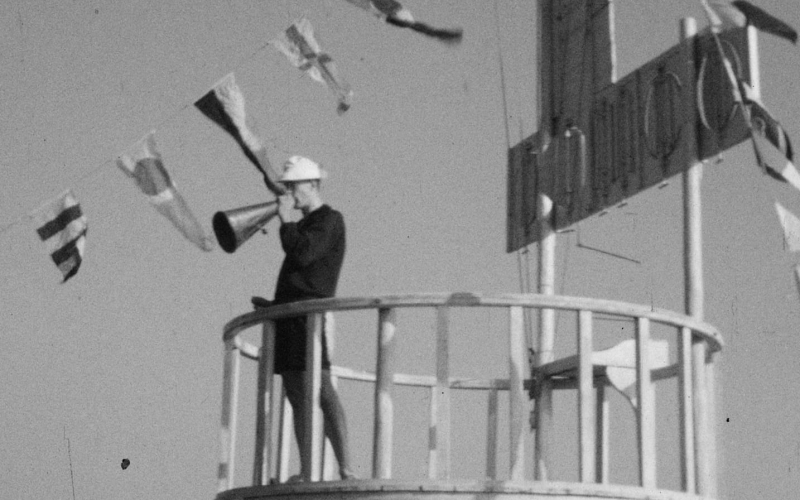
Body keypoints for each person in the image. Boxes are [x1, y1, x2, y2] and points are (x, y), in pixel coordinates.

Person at [268, 155, 354, 481]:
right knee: (295, 391)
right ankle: (307, 469)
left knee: (320, 389)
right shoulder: (302, 224)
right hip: (290, 315)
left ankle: (345, 466)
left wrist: (284, 221)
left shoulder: (330, 220)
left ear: (314, 184)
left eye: (295, 185)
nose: (290, 192)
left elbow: (304, 253)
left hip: (311, 315)